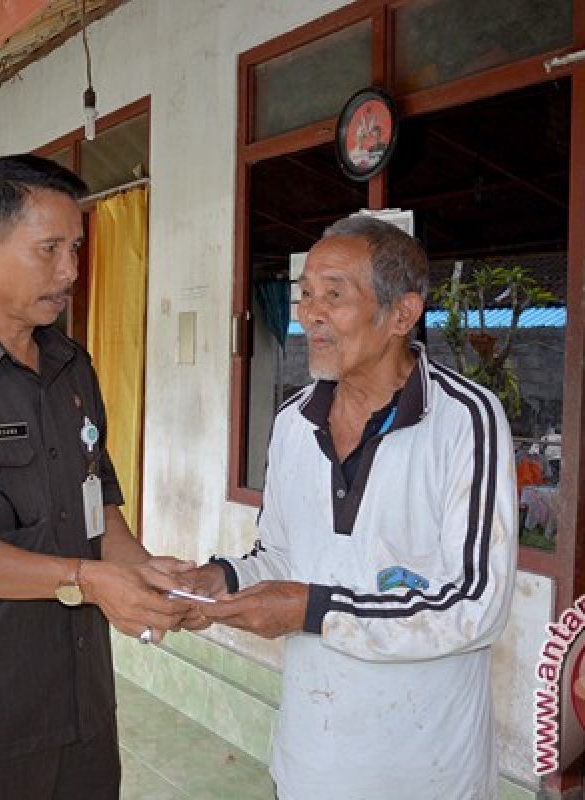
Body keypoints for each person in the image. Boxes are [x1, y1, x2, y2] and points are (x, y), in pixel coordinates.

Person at [0, 154, 192, 800]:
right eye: (50, 249)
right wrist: (87, 579)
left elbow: (97, 503)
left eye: (75, 249)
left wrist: (142, 574)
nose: (71, 271)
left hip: (83, 704)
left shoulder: (72, 367)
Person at [185, 214, 517, 799]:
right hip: (311, 759)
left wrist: (313, 611)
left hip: (425, 770)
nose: (310, 313)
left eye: (333, 296)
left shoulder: (466, 419)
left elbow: (475, 603)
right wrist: (221, 580)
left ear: (401, 314)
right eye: (306, 294)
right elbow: (283, 556)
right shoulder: (294, 423)